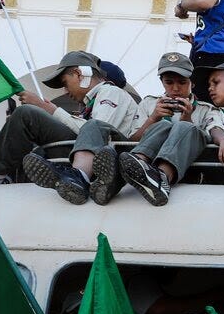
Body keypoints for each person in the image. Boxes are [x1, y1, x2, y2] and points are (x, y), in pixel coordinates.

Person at [20, 54, 139, 204]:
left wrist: (50, 109)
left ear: (78, 74)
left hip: (110, 158)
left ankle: (78, 176)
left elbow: (97, 128)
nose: (65, 91)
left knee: (93, 124)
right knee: (24, 116)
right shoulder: (90, 103)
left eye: (65, 83)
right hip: (94, 155)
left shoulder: (110, 91)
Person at [117, 53, 221, 205]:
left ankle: (161, 178)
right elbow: (132, 140)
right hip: (147, 165)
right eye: (169, 82)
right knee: (164, 125)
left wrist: (187, 120)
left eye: (182, 82)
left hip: (190, 173)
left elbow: (209, 144)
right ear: (162, 82)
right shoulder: (149, 103)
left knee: (184, 127)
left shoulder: (206, 109)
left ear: (192, 82)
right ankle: (138, 167)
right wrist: (153, 118)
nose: (176, 88)